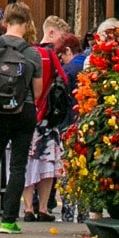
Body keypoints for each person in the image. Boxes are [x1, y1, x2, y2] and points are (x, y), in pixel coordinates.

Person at [0, 1, 44, 235]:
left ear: (5, 22)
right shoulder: (32, 53)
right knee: (18, 165)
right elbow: (38, 89)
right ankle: (8, 220)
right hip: (24, 111)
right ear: (26, 23)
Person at [24, 15, 73, 222]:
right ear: (51, 33)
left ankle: (27, 207)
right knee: (47, 164)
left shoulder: (27, 52)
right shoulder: (50, 55)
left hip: (26, 116)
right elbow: (63, 80)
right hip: (47, 119)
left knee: (26, 162)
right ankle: (43, 208)